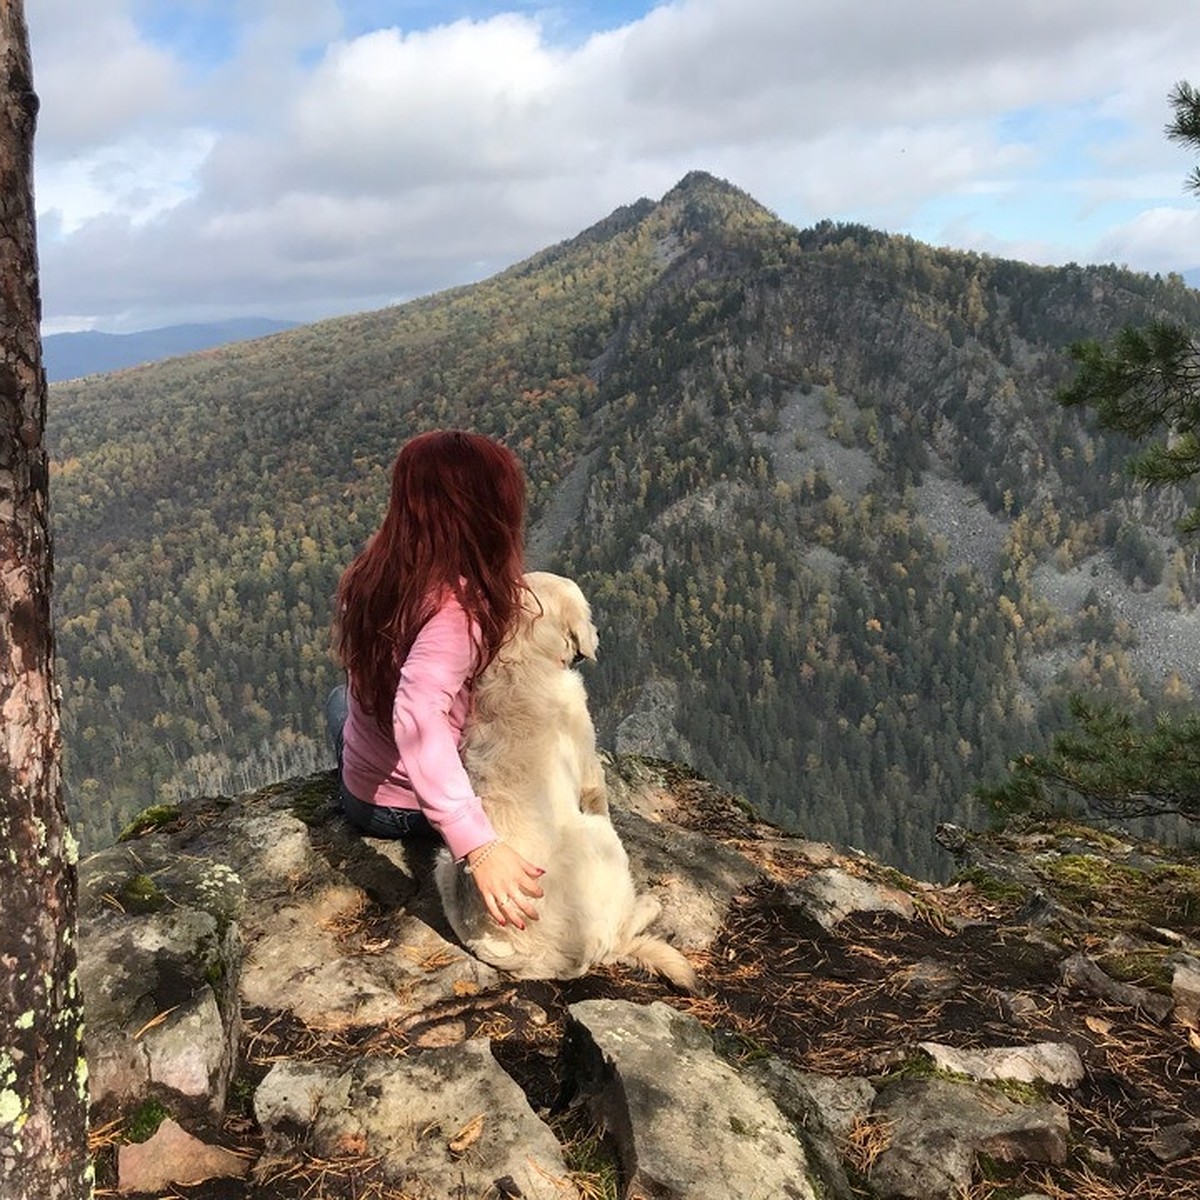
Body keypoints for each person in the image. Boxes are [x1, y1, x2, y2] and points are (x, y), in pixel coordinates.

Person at [328, 429, 544, 930]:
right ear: (486, 514)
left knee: (339, 702)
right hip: (405, 812)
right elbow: (417, 712)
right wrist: (478, 843)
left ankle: (355, 771)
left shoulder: (372, 573)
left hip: (362, 785)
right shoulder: (458, 610)